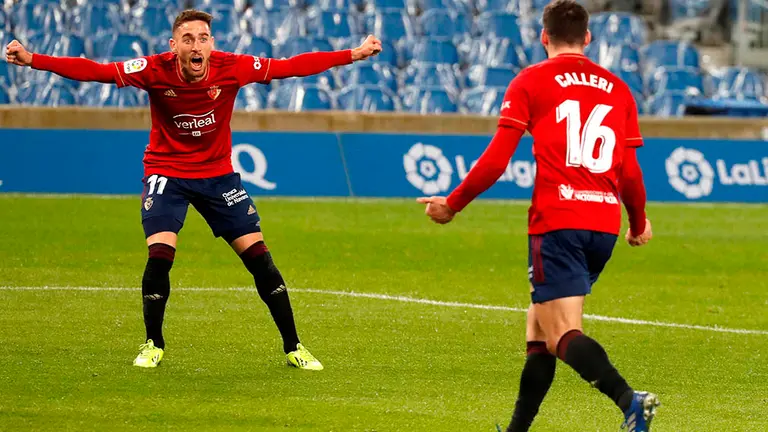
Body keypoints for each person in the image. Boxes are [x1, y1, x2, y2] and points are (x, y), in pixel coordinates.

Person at [6, 9, 382, 370]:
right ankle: (153, 343)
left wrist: (354, 54)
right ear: (174, 46)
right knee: (160, 253)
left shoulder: (232, 66)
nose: (196, 45)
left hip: (218, 176)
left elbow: (292, 66)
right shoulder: (153, 69)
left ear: (211, 44)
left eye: (203, 38)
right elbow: (96, 72)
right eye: (188, 39)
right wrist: (32, 59)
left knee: (260, 259)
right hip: (166, 172)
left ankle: (294, 346)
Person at [416, 1, 659, 430]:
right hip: (602, 224)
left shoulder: (530, 81)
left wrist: (452, 204)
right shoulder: (619, 89)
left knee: (561, 331)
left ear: (543, 36)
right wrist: (637, 223)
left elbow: (496, 160)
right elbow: (631, 172)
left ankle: (628, 400)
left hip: (558, 222)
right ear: (588, 38)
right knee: (540, 331)